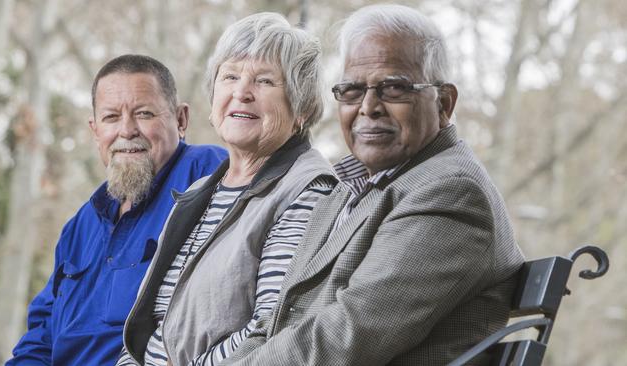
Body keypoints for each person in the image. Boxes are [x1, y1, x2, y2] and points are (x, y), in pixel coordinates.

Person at [222, 5, 525, 366]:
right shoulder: (349, 188)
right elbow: (274, 324)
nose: (368, 107)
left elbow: (347, 334)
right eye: (351, 90)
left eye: (394, 88)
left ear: (444, 103)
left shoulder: (451, 192)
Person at [117, 13, 336, 366]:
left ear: (302, 109)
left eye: (264, 81)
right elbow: (146, 330)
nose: (241, 93)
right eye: (230, 76)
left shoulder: (308, 191)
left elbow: (275, 329)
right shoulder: (201, 192)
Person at [7, 55, 227, 366]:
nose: (126, 130)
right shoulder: (80, 226)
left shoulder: (207, 173)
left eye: (144, 113)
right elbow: (42, 334)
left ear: (180, 120)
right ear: (95, 130)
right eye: (111, 117)